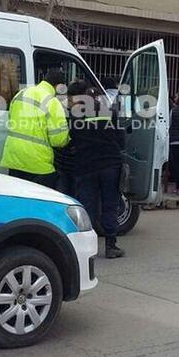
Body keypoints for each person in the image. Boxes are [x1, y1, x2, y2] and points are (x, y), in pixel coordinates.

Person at [71, 87, 125, 259]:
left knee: (87, 207)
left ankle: (87, 249)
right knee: (110, 205)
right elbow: (121, 139)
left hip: (86, 166)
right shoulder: (109, 111)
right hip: (110, 165)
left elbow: (71, 137)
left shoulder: (76, 113)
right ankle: (111, 246)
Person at [0, 70, 69, 189]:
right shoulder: (52, 102)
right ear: (59, 86)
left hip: (14, 158)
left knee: (17, 198)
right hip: (37, 163)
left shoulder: (21, 94)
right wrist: (67, 139)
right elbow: (58, 140)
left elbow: (11, 119)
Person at [55, 80, 88, 197]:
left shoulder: (79, 115)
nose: (68, 103)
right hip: (69, 164)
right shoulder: (73, 112)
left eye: (70, 100)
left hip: (70, 165)